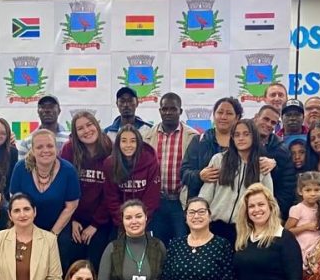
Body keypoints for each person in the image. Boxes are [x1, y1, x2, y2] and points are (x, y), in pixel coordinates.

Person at [8, 129, 80, 261]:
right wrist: (28, 233)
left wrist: (52, 236)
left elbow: (71, 206)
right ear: (32, 150)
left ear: (57, 149)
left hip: (58, 227)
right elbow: (15, 202)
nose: (45, 150)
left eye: (50, 146)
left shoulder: (68, 171)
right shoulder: (20, 168)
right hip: (26, 225)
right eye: (39, 147)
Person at [199, 119, 272, 242]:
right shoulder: (219, 160)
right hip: (215, 226)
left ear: (254, 137)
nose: (241, 138)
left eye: (246, 134)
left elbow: (269, 199)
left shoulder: (262, 165)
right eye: (236, 135)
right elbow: (206, 194)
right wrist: (202, 218)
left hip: (245, 229)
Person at [143, 92, 198, 245]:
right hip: (156, 202)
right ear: (160, 111)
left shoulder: (192, 137)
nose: (168, 112)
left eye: (173, 109)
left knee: (182, 244)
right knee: (157, 245)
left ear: (180, 111)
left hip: (180, 202)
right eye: (164, 109)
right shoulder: (147, 136)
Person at [61, 110, 113, 269]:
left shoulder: (110, 149)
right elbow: (64, 187)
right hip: (74, 218)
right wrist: (72, 219)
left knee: (96, 262)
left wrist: (95, 224)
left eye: (89, 125)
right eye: (80, 128)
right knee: (72, 262)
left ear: (97, 125)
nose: (86, 130)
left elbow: (111, 192)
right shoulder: (69, 149)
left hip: (101, 220)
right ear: (75, 133)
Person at [182, 97, 242, 201]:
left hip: (234, 204)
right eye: (220, 112)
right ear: (214, 115)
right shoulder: (199, 141)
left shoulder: (243, 143)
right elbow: (184, 173)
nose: (223, 117)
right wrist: (199, 176)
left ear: (237, 118)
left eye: (229, 113)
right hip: (201, 205)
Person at [103, 126, 161, 227]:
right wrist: (124, 221)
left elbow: (152, 197)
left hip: (146, 219)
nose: (128, 145)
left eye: (133, 141)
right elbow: (111, 198)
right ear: (118, 144)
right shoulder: (110, 164)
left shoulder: (151, 161)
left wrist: (140, 220)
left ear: (139, 143)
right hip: (121, 221)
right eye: (124, 141)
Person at [253, 105, 295, 215]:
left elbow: (288, 187)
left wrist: (273, 211)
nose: (268, 124)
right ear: (256, 117)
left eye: (273, 123)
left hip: (269, 213)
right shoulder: (238, 142)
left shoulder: (283, 151)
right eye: (265, 119)